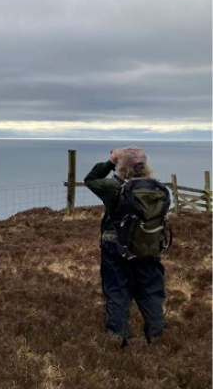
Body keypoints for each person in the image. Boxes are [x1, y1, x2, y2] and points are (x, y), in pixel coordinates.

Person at [85, 146, 166, 343]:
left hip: (116, 247)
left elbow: (90, 180)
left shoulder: (114, 188)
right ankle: (157, 338)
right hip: (149, 247)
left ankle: (117, 337)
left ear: (122, 165)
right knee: (151, 291)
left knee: (117, 291)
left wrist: (110, 161)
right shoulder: (157, 189)